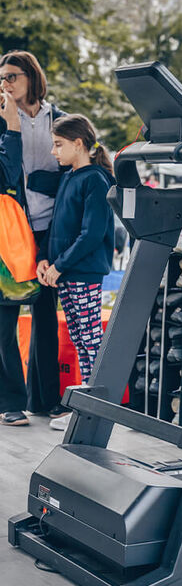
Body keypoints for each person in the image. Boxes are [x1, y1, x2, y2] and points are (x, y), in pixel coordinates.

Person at [37, 115, 115, 430]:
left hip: (82, 272)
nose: (54, 152)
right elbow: (57, 225)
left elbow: (92, 233)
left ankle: (96, 410)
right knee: (81, 339)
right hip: (67, 272)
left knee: (91, 339)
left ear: (78, 143)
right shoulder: (69, 177)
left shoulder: (95, 179)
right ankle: (86, 407)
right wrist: (45, 259)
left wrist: (59, 265)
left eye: (58, 144)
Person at [0, 51, 65, 427]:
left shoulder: (57, 116)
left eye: (12, 76)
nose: (5, 84)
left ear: (31, 77)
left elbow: (75, 165)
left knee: (45, 314)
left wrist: (46, 181)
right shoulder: (3, 119)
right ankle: (10, 401)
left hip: (49, 229)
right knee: (5, 316)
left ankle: (46, 400)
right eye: (2, 79)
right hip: (11, 232)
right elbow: (6, 173)